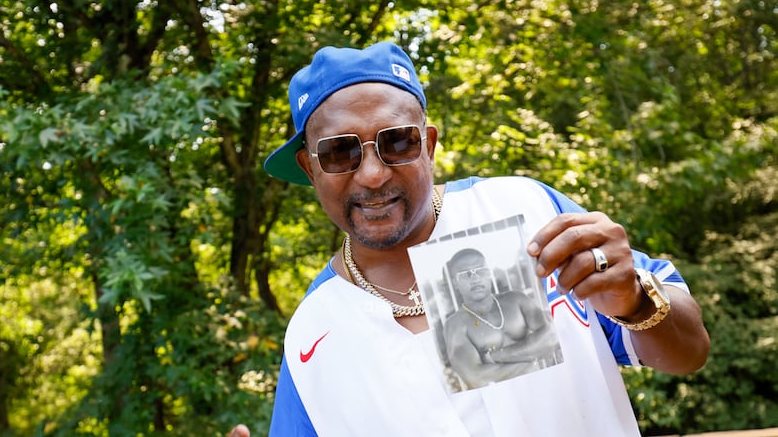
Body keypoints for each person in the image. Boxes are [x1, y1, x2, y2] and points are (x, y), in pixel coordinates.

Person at [232, 41, 709, 436]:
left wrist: (635, 301)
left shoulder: (525, 213)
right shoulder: (314, 332)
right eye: (340, 152)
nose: (373, 175)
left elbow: (689, 352)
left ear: (429, 144)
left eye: (397, 141)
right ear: (309, 167)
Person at [442, 248, 561, 389]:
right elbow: (475, 378)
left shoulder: (516, 299)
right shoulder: (455, 325)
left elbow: (552, 337)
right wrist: (533, 358)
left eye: (481, 270)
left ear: (489, 274)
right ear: (455, 282)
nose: (475, 278)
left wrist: (495, 357)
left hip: (547, 385)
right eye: (466, 274)